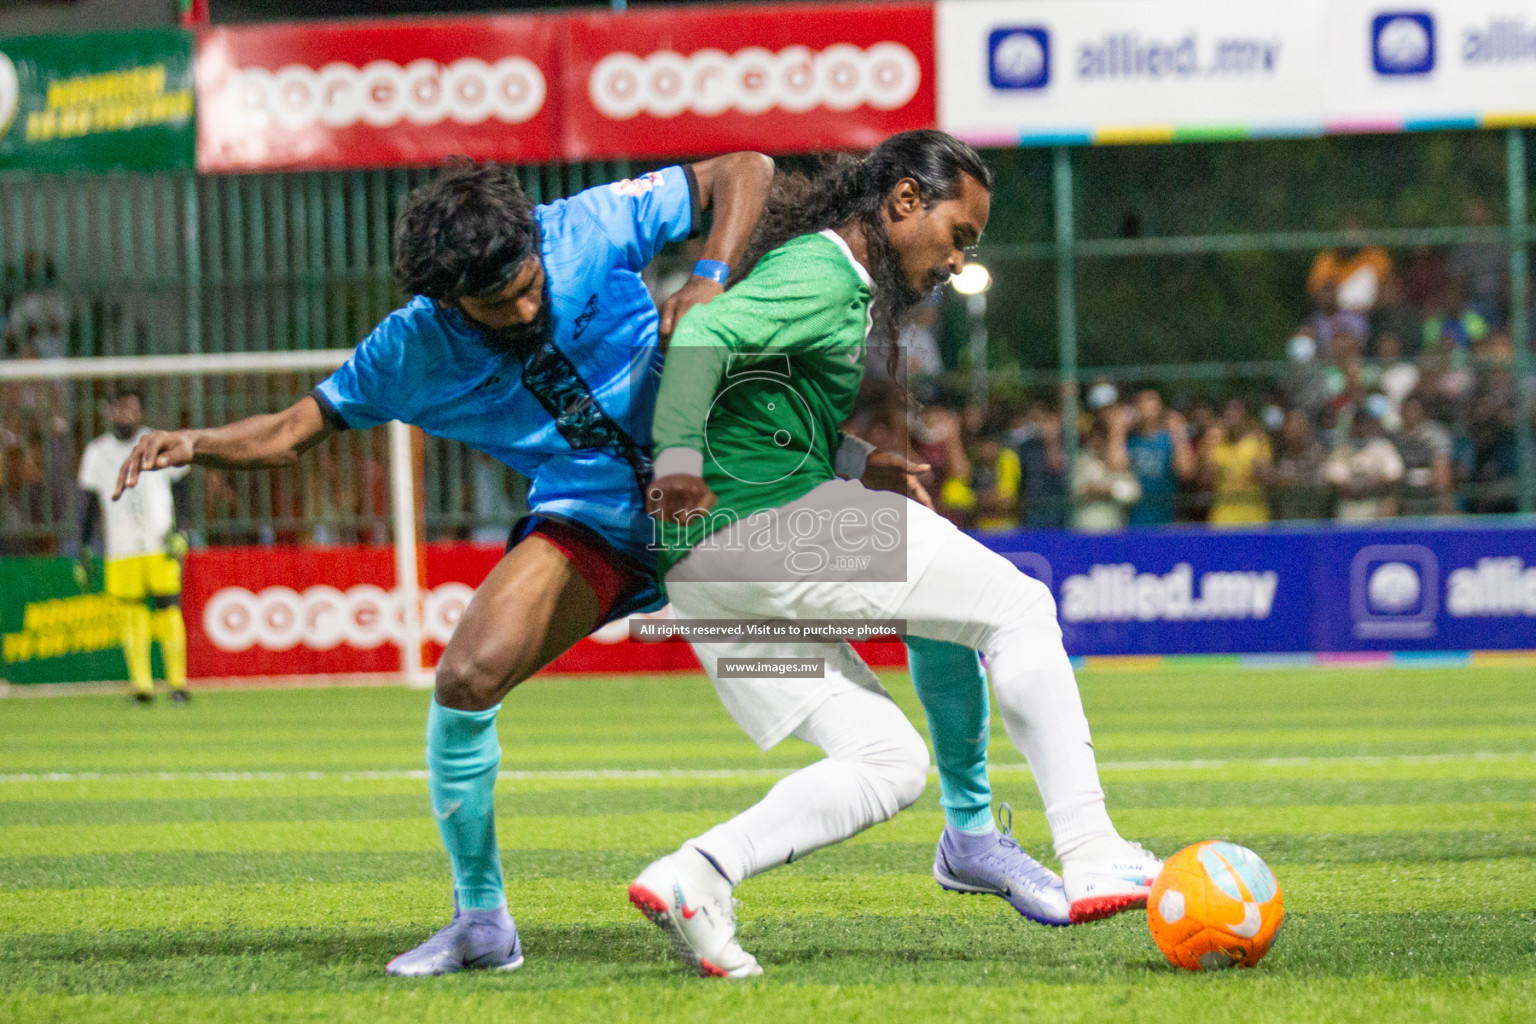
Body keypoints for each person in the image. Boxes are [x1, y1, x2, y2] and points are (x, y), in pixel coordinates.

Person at [114, 152, 777, 976]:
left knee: (908, 597)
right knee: (465, 677)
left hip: (720, 471)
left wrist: (709, 276)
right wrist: (196, 444)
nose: (530, 305)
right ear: (445, 300)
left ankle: (964, 824)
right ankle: (482, 922)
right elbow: (293, 430)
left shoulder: (580, 228)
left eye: (531, 281)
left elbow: (745, 168)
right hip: (595, 521)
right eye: (502, 304)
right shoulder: (410, 352)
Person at [634, 131, 1159, 979]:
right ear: (904, 202)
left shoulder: (830, 280)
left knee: (887, 762)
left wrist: (850, 460)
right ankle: (1093, 849)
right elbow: (701, 338)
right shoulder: (826, 270)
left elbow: (758, 400)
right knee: (1019, 609)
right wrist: (677, 462)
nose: (958, 260)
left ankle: (700, 873)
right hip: (764, 525)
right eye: (960, 235)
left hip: (700, 573)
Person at [76, 387, 190, 703]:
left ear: (141, 412)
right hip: (120, 546)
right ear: (110, 411)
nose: (127, 415)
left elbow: (183, 489)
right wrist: (84, 547)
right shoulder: (97, 452)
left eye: (133, 409)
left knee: (168, 609)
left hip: (159, 541)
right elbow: (87, 504)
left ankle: (178, 684)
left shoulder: (159, 442)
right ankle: (142, 687)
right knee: (132, 615)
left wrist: (182, 531)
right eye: (121, 409)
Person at [1124, 390, 1194, 526]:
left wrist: (1178, 432)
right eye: (1143, 402)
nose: (1147, 407)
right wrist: (1118, 429)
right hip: (1132, 519)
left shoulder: (1169, 440)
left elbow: (1186, 471)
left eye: (1152, 402)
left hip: (1166, 518)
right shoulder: (1130, 440)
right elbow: (1116, 465)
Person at [1201, 400, 1272, 525]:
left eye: (1237, 413)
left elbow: (1267, 478)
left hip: (1254, 518)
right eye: (1228, 413)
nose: (1233, 417)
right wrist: (1210, 446)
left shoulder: (1256, 442)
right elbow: (1205, 482)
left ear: (1245, 418)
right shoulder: (1218, 446)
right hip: (1223, 519)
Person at [1073, 409, 1139, 532]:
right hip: (1084, 532)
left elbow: (1132, 494)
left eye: (1101, 436)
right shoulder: (1081, 460)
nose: (1097, 441)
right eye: (1093, 436)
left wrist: (1108, 490)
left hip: (1114, 532)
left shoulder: (1120, 463)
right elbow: (1077, 490)